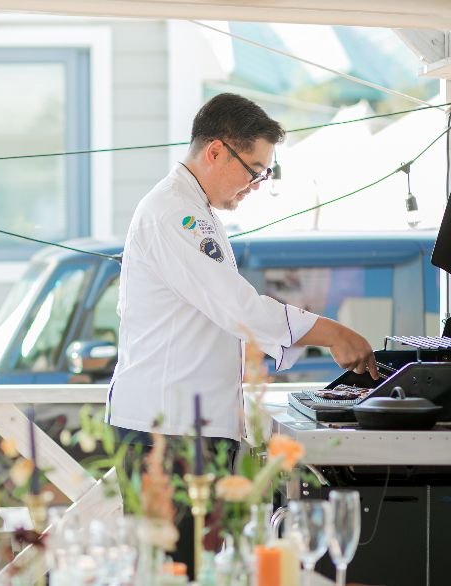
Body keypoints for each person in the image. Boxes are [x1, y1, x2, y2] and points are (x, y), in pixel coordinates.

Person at [108, 94, 377, 447]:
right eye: (253, 170)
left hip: (183, 423)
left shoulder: (193, 208)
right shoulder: (176, 212)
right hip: (167, 427)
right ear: (215, 152)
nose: (256, 184)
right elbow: (240, 308)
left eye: (264, 173)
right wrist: (333, 334)